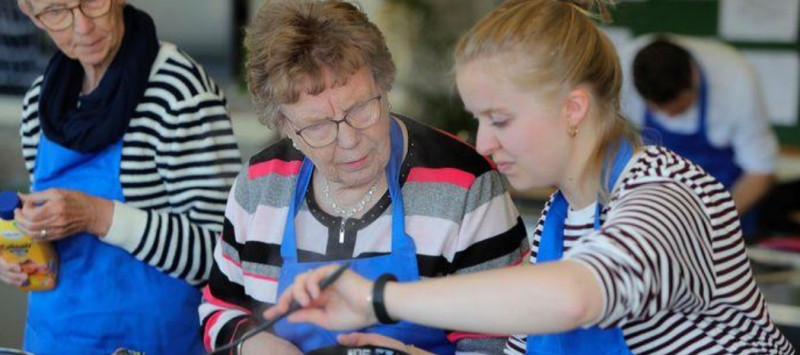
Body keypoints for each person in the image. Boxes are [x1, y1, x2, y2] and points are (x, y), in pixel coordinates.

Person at [266, 0, 795, 354]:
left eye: (499, 119)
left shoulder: (670, 195)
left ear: (573, 108)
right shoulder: (556, 224)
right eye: (477, 120)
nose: (483, 143)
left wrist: (376, 298)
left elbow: (578, 296)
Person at [198, 1, 530, 354]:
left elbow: (510, 341)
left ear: (383, 84)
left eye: (361, 108)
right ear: (284, 126)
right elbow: (220, 308)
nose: (350, 139)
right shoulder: (259, 187)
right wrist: (257, 345)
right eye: (317, 127)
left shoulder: (464, 186)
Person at [0, 0, 242, 354]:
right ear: (31, 15)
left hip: (154, 343)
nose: (82, 27)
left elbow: (220, 255)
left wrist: (97, 215)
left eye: (91, 2)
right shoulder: (40, 102)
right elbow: (53, 240)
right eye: (56, 11)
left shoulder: (178, 91)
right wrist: (22, 252)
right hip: (54, 341)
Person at [619, 34, 779, 237]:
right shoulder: (618, 72)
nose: (668, 116)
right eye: (659, 109)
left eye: (677, 108)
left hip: (724, 210)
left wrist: (713, 226)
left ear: (694, 76)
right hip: (654, 216)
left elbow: (760, 172)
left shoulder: (736, 79)